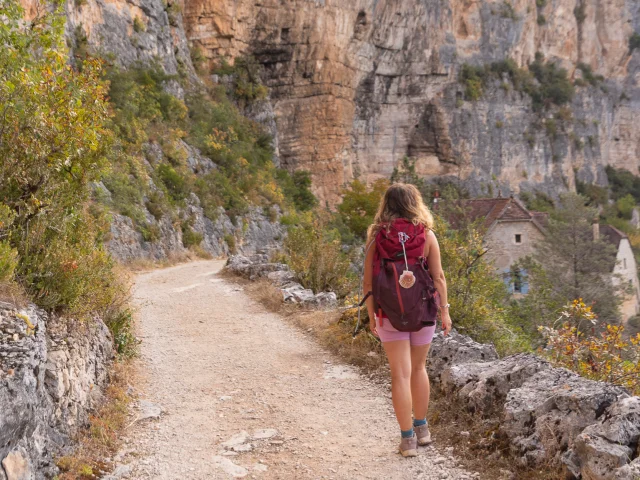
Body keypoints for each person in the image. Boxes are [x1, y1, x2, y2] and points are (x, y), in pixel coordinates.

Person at [363, 183, 452, 457]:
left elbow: (368, 282)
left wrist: (371, 316)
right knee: (419, 369)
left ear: (386, 205)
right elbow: (438, 277)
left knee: (399, 374)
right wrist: (445, 310)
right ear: (415, 203)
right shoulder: (426, 235)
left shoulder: (376, 237)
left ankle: (407, 440)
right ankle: (422, 429)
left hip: (388, 313)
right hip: (424, 312)